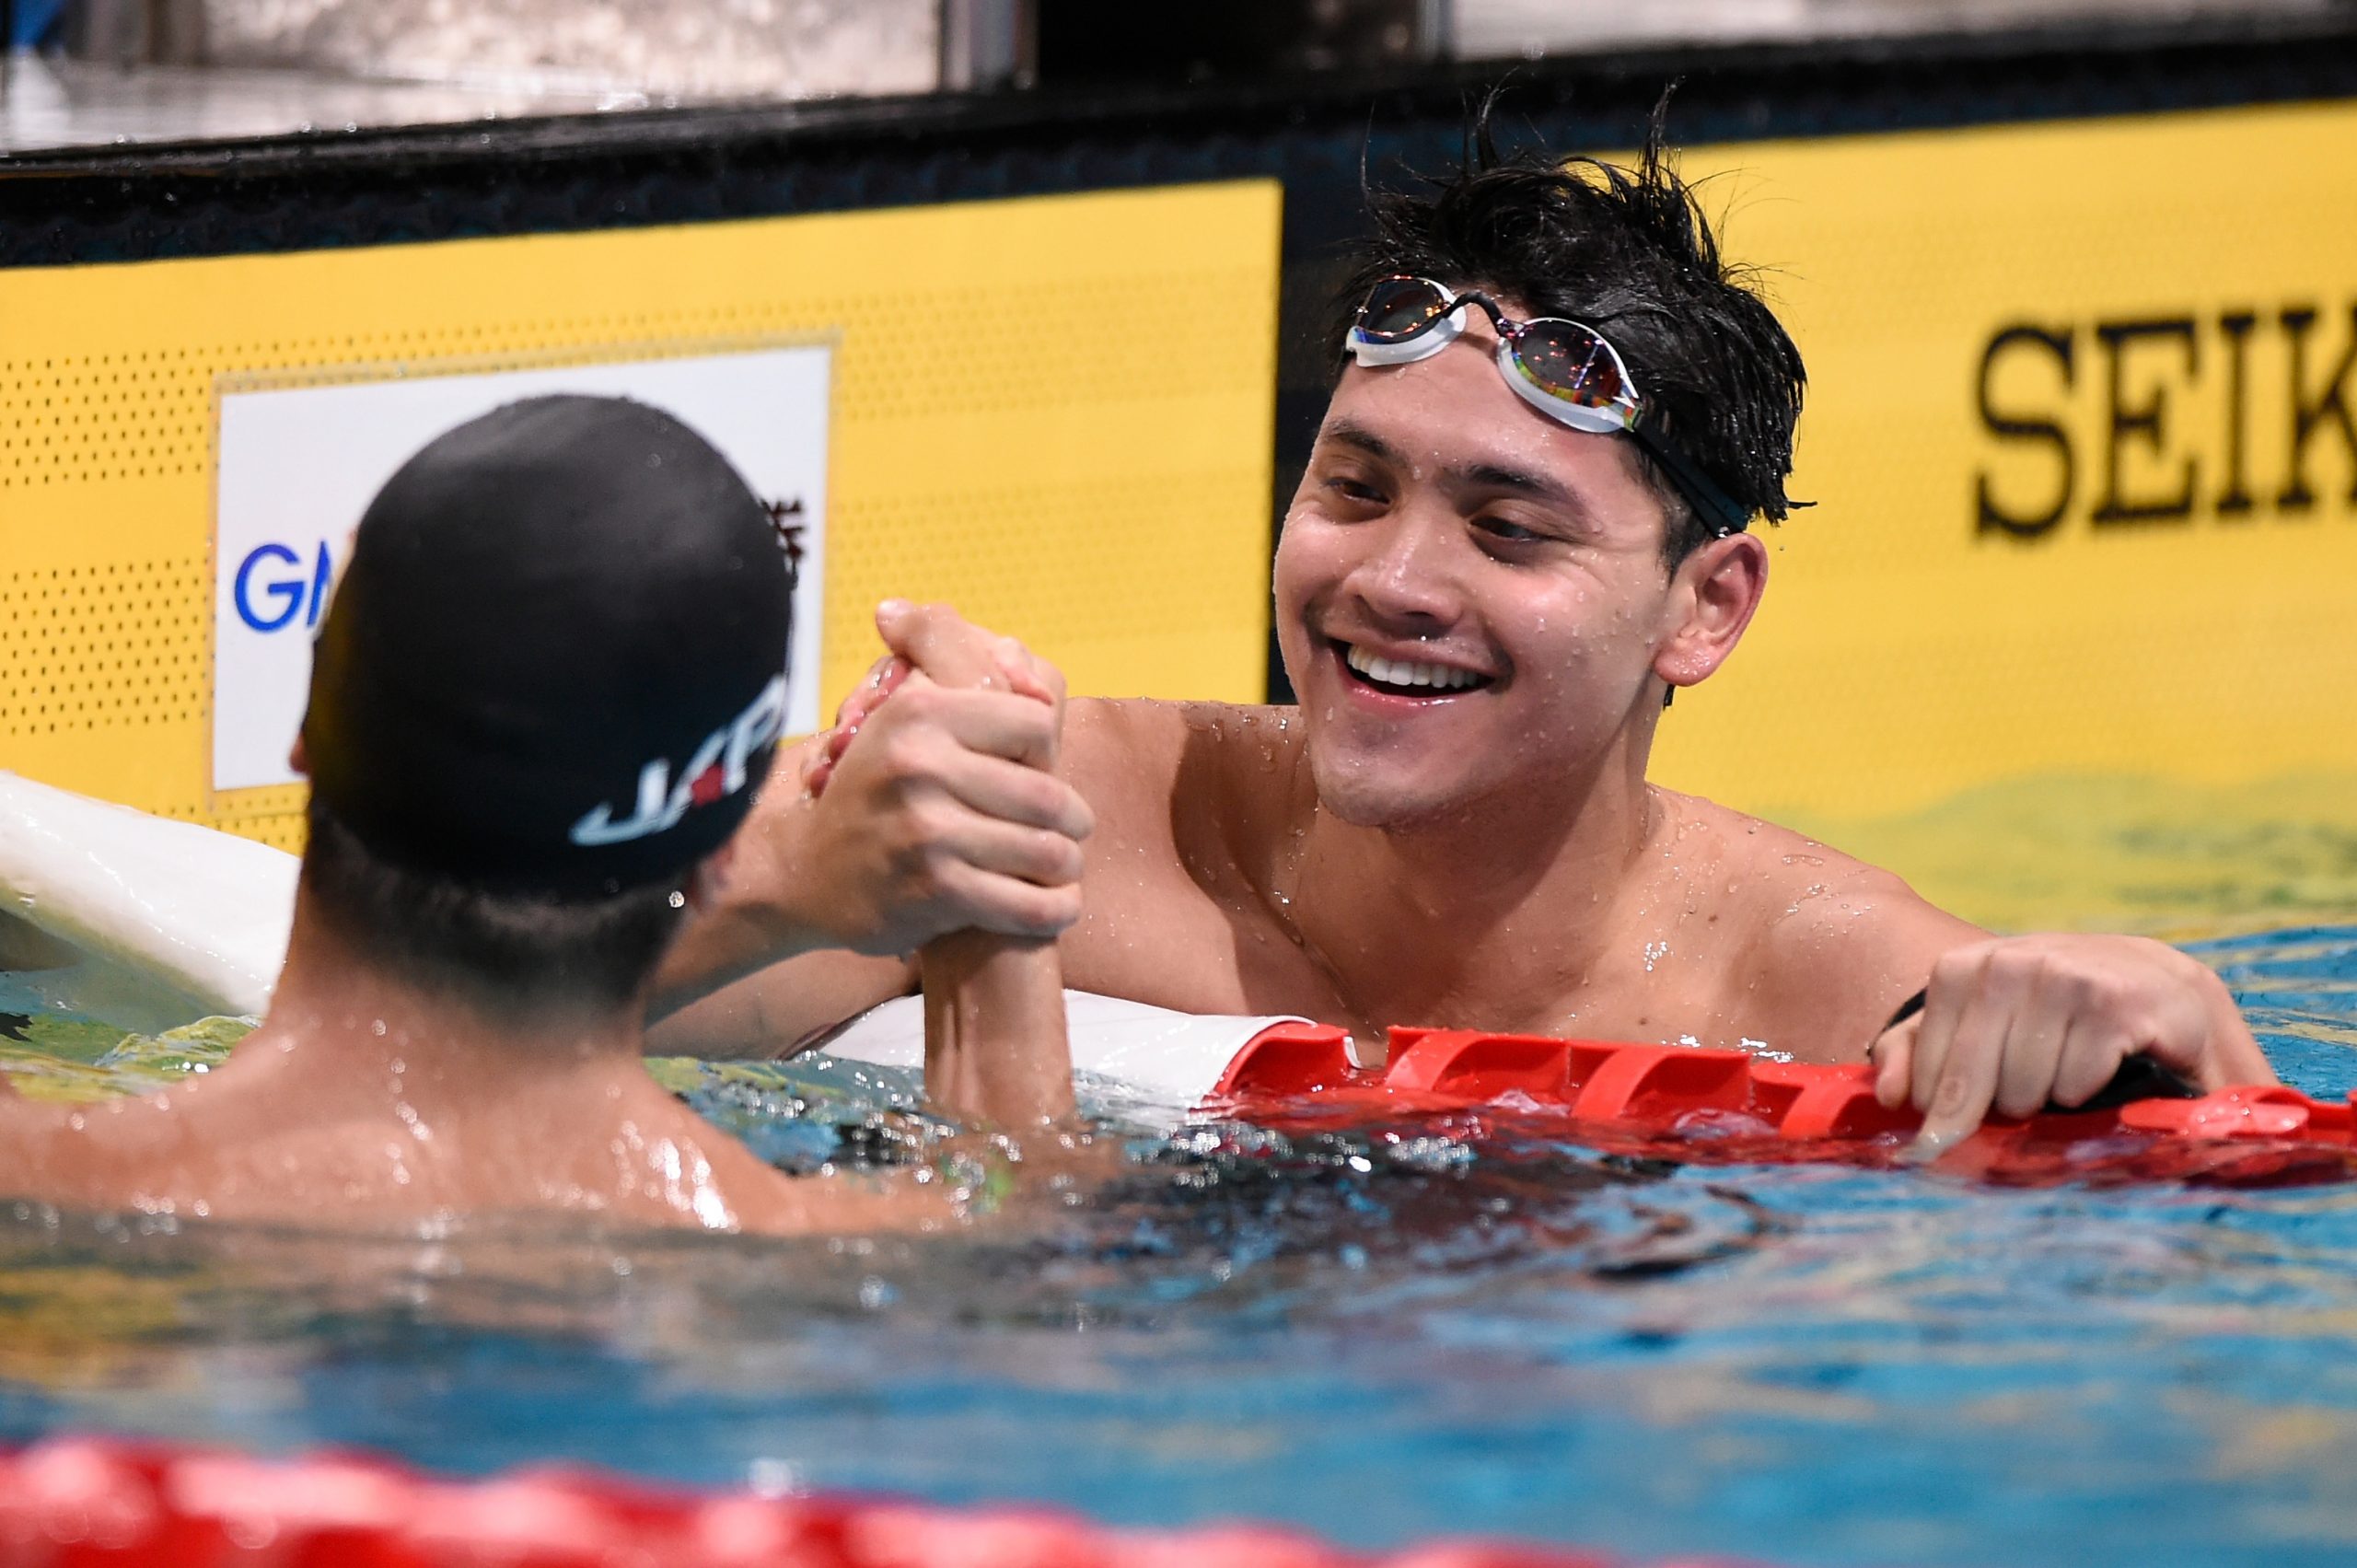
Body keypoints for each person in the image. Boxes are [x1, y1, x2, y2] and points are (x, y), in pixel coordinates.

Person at [649, 116, 2276, 1156]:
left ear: (1705, 608)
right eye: (1353, 487)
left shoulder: (1813, 978)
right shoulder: (1068, 811)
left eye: (1508, 529)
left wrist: (2183, 1042)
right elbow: (493, 996)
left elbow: (2210, 1213)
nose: (1393, 580)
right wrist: (793, 879)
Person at [0, 395, 1087, 1230]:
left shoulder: (48, 1188)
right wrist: (996, 923)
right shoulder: (830, 1247)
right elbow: (1027, 1261)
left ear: (305, 734)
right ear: (718, 850)